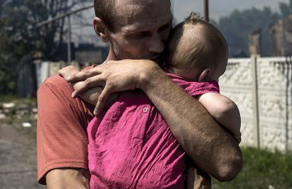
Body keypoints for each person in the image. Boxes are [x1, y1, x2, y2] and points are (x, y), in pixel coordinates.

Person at [36, 0, 243, 188]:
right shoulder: (63, 92)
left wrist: (149, 76)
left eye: (164, 28)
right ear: (102, 30)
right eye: (139, 35)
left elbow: (227, 164)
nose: (158, 45)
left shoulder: (177, 81)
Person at [85, 12, 241, 189]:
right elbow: (223, 108)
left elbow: (101, 95)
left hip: (106, 175)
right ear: (205, 75)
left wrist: (74, 76)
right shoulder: (198, 90)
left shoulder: (138, 82)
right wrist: (234, 132)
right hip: (157, 182)